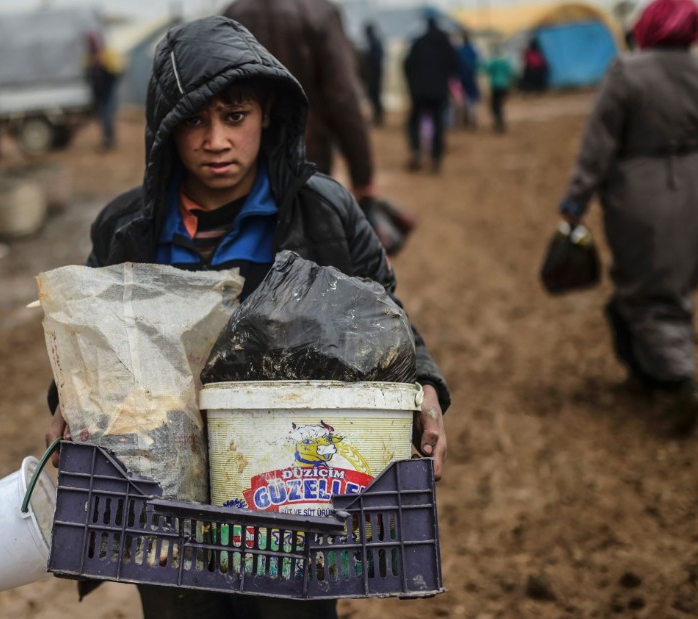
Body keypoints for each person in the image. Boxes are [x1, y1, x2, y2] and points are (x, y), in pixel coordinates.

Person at [45, 16, 451, 618]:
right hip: (169, 506)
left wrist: (424, 383)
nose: (215, 141)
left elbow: (384, 313)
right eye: (194, 122)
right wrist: (63, 403)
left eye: (235, 117)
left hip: (289, 488)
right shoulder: (127, 228)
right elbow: (90, 344)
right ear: (164, 130)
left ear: (267, 115)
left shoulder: (322, 212)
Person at [556, 0, 698, 435]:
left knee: (648, 293)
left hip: (638, 198)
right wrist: (695, 175)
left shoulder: (627, 73)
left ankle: (678, 382)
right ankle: (645, 372)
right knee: (670, 285)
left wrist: (576, 202)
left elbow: (597, 148)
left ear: (647, 26)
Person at [224, 0, 376, 204]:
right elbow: (342, 96)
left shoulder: (234, 13)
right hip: (307, 153)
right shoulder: (319, 13)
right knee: (305, 226)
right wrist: (362, 175)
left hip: (247, 153)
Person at [403, 14, 460, 172]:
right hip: (439, 92)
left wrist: (412, 86)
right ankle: (436, 158)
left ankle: (416, 150)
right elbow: (454, 64)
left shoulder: (419, 43)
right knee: (438, 123)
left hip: (419, 92)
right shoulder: (445, 43)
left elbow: (407, 64)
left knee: (413, 122)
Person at [85, 33, 123, 151]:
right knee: (102, 117)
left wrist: (103, 65)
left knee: (107, 117)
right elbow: (88, 77)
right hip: (98, 94)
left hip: (108, 92)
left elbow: (117, 74)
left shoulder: (107, 56)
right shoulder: (89, 59)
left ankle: (109, 141)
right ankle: (107, 139)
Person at [482, 42, 514, 133]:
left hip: (495, 85)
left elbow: (486, 70)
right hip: (504, 85)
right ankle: (501, 123)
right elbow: (510, 73)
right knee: (500, 105)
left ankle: (499, 124)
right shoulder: (505, 61)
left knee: (495, 106)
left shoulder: (493, 61)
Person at [361, 21, 386, 127]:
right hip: (374, 74)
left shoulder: (374, 43)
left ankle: (378, 117)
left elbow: (375, 60)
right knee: (374, 95)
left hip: (375, 74)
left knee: (375, 95)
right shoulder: (373, 42)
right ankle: (377, 116)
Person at [456, 33, 481, 129]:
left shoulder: (459, 50)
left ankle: (467, 118)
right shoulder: (473, 50)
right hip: (471, 77)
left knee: (464, 98)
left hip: (462, 78)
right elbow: (477, 64)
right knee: (472, 98)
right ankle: (472, 117)